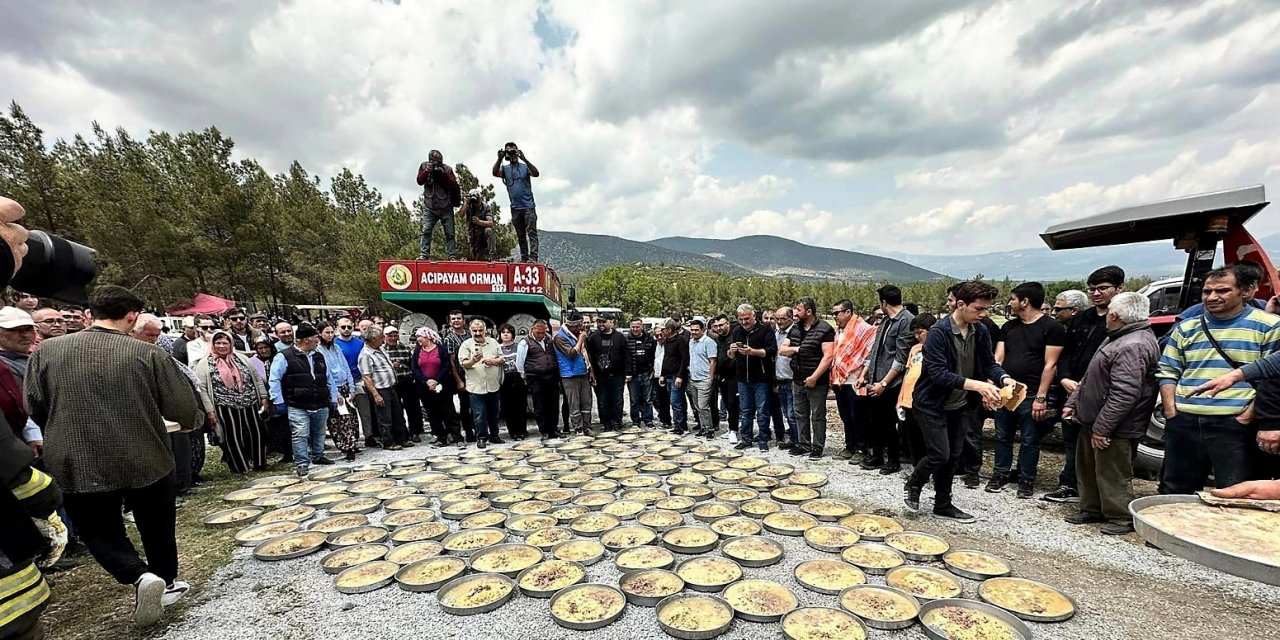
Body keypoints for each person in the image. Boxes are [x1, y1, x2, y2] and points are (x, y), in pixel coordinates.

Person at [26, 285, 203, 626]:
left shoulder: (46, 352)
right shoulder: (147, 353)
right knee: (157, 524)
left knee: (99, 529)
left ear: (90, 313)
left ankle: (136, 575)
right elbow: (182, 405)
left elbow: (34, 404)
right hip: (144, 453)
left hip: (78, 458)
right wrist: (188, 422)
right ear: (132, 316)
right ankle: (164, 580)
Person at [1155, 264, 1280, 492]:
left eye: (1222, 290)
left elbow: (1271, 379)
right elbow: (1167, 370)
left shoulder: (1269, 326)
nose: (1212, 297)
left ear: (1244, 291)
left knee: (1235, 492)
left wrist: (1246, 416)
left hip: (1234, 423)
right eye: (1207, 291)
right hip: (1185, 421)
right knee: (1174, 490)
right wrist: (1171, 411)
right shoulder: (1186, 327)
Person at [905, 281, 1014, 524]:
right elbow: (937, 373)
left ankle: (942, 504)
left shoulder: (981, 330)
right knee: (939, 454)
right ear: (961, 304)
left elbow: (988, 363)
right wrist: (979, 385)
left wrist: (1004, 379)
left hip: (960, 405)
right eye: (979, 309)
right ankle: (914, 482)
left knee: (954, 455)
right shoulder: (939, 333)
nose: (983, 314)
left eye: (987, 309)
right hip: (931, 404)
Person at [1061, 292, 1159, 534]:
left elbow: (1125, 393)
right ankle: (1092, 508)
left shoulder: (1133, 344)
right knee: (1088, 466)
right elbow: (1090, 377)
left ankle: (1120, 516)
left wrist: (1103, 428)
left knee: (1112, 471)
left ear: (1114, 315)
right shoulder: (1118, 337)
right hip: (1092, 419)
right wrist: (1073, 402)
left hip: (1115, 426)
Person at [1043, 266, 1124, 502]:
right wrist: (1065, 377)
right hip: (1072, 388)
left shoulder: (1121, 320)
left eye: (1102, 288)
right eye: (1092, 289)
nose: (1096, 294)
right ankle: (1069, 484)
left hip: (1101, 392)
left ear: (1119, 289)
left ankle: (1098, 494)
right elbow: (1066, 353)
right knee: (1072, 440)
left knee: (1100, 442)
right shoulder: (1082, 318)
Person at [990, 282, 1066, 499]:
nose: (1009, 303)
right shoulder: (1009, 327)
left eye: (1013, 299)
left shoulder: (1052, 328)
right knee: (1002, 435)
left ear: (1025, 301)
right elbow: (998, 358)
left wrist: (1041, 397)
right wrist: (995, 387)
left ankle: (1026, 479)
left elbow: (1050, 364)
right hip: (1007, 390)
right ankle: (1000, 473)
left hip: (1032, 392)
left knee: (1030, 438)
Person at [192, 330, 270, 473]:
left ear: (230, 344)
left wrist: (263, 397)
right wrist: (210, 411)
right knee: (233, 437)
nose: (222, 346)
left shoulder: (241, 359)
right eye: (218, 343)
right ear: (213, 345)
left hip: (249, 402)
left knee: (256, 432)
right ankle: (240, 467)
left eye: (225, 343)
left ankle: (260, 463)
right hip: (225, 406)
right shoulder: (204, 364)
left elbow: (256, 379)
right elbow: (202, 389)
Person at [268, 323, 340, 477]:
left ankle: (318, 455)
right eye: (315, 338)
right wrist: (278, 400)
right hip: (297, 403)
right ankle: (302, 462)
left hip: (320, 401)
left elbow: (329, 378)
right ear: (306, 340)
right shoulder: (284, 356)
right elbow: (274, 379)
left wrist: (333, 397)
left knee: (319, 431)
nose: (318, 341)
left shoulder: (319, 355)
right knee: (300, 434)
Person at [859, 287, 915, 473]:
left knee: (889, 422)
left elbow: (901, 358)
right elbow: (875, 350)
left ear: (884, 303)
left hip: (892, 383)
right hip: (875, 378)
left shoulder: (906, 321)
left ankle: (893, 460)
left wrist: (884, 383)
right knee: (874, 420)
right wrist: (865, 374)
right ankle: (876, 456)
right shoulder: (885, 321)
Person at [780, 297, 835, 459]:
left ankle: (817, 447)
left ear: (809, 312)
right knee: (800, 414)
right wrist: (797, 349)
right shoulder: (794, 329)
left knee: (817, 416)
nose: (795, 313)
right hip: (797, 379)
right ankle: (804, 444)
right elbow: (782, 350)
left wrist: (814, 377)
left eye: (799, 309)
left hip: (817, 381)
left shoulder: (825, 329)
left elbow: (828, 356)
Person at [728, 304, 777, 451]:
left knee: (762, 411)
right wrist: (731, 351)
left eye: (747, 319)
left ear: (754, 316)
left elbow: (771, 351)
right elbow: (731, 356)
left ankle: (763, 439)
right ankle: (746, 439)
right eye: (741, 319)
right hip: (743, 378)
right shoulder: (737, 331)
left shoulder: (765, 330)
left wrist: (752, 352)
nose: (744, 322)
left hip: (761, 378)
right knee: (745, 410)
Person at [358, 326, 411, 451]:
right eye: (381, 337)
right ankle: (388, 442)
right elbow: (366, 377)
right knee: (385, 417)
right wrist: (376, 395)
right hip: (380, 389)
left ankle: (401, 439)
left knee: (397, 414)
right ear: (373, 339)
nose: (383, 339)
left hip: (391, 386)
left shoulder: (380, 349)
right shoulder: (365, 354)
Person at [313, 323, 359, 461]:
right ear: (320, 334)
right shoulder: (318, 351)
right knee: (340, 420)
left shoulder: (337, 348)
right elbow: (326, 374)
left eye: (332, 332)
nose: (330, 335)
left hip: (345, 384)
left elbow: (346, 367)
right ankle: (347, 447)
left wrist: (351, 387)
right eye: (326, 332)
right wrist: (335, 393)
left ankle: (353, 443)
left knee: (352, 418)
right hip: (333, 388)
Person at [411, 327, 464, 447]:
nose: (418, 339)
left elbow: (446, 366)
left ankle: (457, 437)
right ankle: (441, 438)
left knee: (449, 412)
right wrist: (426, 381)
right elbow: (415, 368)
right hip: (425, 388)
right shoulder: (418, 351)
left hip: (442, 386)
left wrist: (436, 380)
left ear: (428, 337)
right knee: (432, 414)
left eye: (420, 337)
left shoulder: (441, 349)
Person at [897, 313, 937, 465]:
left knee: (927, 439)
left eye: (920, 332)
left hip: (926, 401)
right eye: (914, 333)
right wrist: (900, 399)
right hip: (909, 400)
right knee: (912, 438)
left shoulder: (938, 349)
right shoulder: (915, 349)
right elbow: (907, 374)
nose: (917, 336)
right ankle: (917, 468)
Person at [458, 319, 504, 448]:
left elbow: (502, 358)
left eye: (480, 330)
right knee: (480, 414)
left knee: (494, 413)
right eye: (474, 330)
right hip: (476, 386)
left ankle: (494, 436)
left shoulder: (493, 342)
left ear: (485, 330)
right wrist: (473, 360)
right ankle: (482, 437)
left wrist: (492, 361)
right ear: (470, 331)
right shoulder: (466, 345)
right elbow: (463, 364)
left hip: (493, 383)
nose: (478, 333)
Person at [493, 141, 540, 262]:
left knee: (532, 233)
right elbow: (494, 173)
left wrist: (524, 158)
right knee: (520, 236)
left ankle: (533, 257)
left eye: (513, 150)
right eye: (509, 151)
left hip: (528, 206)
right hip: (515, 207)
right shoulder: (505, 168)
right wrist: (499, 159)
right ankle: (524, 258)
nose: (512, 153)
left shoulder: (524, 167)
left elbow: (536, 173)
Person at [334, 317, 377, 448]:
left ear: (353, 327)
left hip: (360, 380)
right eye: (343, 327)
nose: (346, 329)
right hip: (342, 383)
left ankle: (369, 436)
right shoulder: (335, 344)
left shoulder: (360, 343)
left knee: (365, 411)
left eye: (349, 327)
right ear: (338, 328)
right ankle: (352, 438)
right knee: (347, 414)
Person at [517, 319, 562, 441]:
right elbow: (520, 362)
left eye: (543, 332)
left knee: (553, 404)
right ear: (533, 330)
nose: (541, 335)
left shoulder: (549, 340)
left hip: (552, 377)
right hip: (536, 378)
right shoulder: (524, 343)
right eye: (539, 333)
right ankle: (544, 431)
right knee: (540, 406)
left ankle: (554, 429)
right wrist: (524, 376)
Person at [555, 312, 595, 435]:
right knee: (574, 404)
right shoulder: (560, 337)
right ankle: (578, 428)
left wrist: (591, 371)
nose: (580, 328)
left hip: (583, 373)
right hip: (570, 375)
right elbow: (572, 354)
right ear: (571, 325)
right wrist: (581, 340)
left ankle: (587, 427)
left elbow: (586, 354)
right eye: (578, 326)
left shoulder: (578, 333)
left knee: (587, 402)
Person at [383, 326, 425, 443]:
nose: (392, 338)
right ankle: (402, 433)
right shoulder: (381, 350)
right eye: (389, 336)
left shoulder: (406, 348)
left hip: (407, 381)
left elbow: (413, 366)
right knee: (396, 410)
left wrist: (402, 367)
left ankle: (415, 432)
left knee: (413, 408)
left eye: (395, 335)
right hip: (391, 383)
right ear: (385, 337)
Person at [417, 149, 461, 260]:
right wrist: (427, 171)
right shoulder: (424, 166)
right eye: (435, 160)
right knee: (426, 231)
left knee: (450, 233)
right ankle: (424, 255)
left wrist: (443, 173)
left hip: (445, 206)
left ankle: (452, 256)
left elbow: (454, 184)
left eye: (439, 160)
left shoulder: (447, 169)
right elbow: (419, 181)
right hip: (430, 206)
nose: (437, 162)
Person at [587, 315, 628, 431]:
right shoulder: (593, 338)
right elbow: (589, 356)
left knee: (618, 400)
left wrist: (627, 373)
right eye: (599, 322)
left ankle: (617, 423)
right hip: (601, 376)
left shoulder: (620, 337)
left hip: (617, 375)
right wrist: (592, 373)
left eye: (603, 322)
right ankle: (606, 424)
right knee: (603, 401)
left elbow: (627, 356)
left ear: (611, 323)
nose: (601, 324)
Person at [442, 310, 476, 441]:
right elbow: (451, 362)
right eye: (453, 319)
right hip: (461, 375)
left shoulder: (469, 334)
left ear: (463, 320)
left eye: (458, 318)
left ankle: (477, 429)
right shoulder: (449, 339)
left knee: (475, 405)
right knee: (465, 405)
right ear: (450, 322)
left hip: (474, 373)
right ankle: (468, 432)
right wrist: (458, 381)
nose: (456, 321)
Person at [769, 306, 798, 449]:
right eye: (777, 318)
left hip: (792, 379)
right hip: (779, 379)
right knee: (787, 413)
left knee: (793, 414)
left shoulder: (796, 333)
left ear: (791, 318)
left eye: (782, 319)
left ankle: (799, 441)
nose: (779, 321)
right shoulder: (775, 333)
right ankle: (793, 439)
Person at [686, 318, 718, 438]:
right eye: (692, 330)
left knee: (704, 406)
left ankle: (710, 429)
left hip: (704, 379)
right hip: (693, 378)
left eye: (696, 330)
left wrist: (710, 378)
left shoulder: (709, 342)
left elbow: (713, 361)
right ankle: (703, 427)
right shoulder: (691, 342)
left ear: (703, 330)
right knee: (697, 406)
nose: (694, 332)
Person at [710, 314, 740, 443]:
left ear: (727, 323)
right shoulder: (717, 339)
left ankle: (734, 430)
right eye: (716, 326)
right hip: (722, 376)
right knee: (727, 403)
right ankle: (731, 428)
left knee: (733, 404)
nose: (719, 328)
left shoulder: (735, 335)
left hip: (735, 375)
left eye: (721, 325)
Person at [659, 318, 692, 434]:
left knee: (675, 402)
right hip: (668, 376)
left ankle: (681, 427)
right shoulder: (667, 341)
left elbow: (685, 359)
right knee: (678, 401)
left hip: (677, 376)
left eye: (663, 329)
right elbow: (666, 358)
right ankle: (679, 425)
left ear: (669, 329)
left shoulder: (681, 340)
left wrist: (680, 376)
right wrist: (662, 374)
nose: (662, 332)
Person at [497, 324, 529, 440]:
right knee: (508, 406)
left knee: (520, 405)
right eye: (503, 332)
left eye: (508, 332)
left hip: (518, 377)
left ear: (513, 335)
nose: (505, 334)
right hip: (505, 379)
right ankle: (513, 431)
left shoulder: (518, 346)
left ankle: (522, 430)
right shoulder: (497, 348)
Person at [624, 318, 657, 429]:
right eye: (633, 327)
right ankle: (635, 421)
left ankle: (648, 420)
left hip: (646, 373)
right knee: (634, 400)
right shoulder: (626, 339)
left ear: (642, 327)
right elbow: (625, 358)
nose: (635, 329)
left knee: (648, 399)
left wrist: (653, 369)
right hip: (632, 375)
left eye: (637, 327)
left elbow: (654, 355)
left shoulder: (649, 339)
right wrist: (627, 372)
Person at [461, 190, 495, 261]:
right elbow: (461, 215)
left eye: (477, 201)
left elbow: (491, 223)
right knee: (478, 259)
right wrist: (466, 203)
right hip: (473, 237)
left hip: (483, 235)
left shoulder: (485, 207)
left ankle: (492, 255)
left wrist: (479, 222)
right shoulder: (468, 206)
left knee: (488, 230)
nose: (475, 204)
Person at [651, 325, 672, 428]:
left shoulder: (669, 344)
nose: (659, 337)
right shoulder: (655, 345)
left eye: (661, 334)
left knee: (671, 400)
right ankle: (664, 420)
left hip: (667, 376)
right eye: (656, 335)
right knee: (659, 399)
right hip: (657, 375)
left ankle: (674, 421)